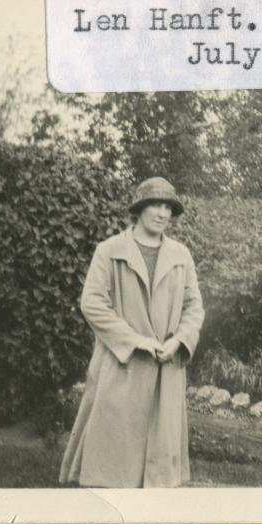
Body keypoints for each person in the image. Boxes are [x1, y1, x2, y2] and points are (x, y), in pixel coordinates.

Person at [59, 177, 204, 488]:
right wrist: (136, 341)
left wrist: (178, 341)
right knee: (112, 470)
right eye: (155, 204)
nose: (162, 213)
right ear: (139, 209)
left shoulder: (182, 255)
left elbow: (194, 308)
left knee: (158, 482)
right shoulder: (109, 250)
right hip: (121, 365)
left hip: (166, 368)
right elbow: (93, 303)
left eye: (168, 207)